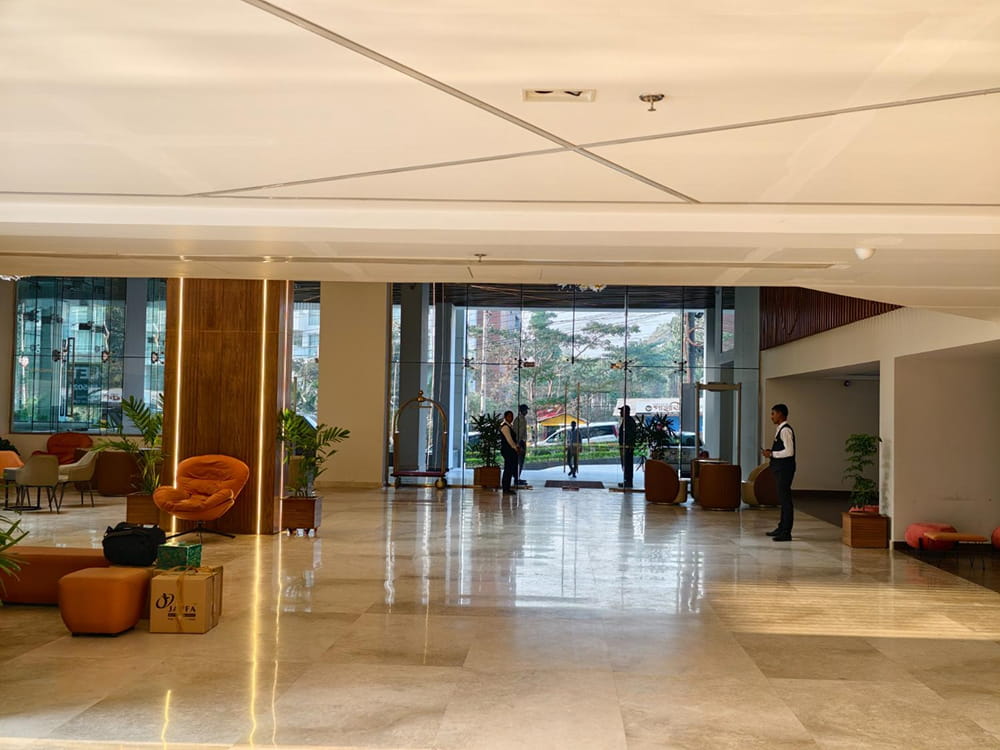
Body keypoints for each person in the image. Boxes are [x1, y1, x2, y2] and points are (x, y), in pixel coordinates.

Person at [762, 403, 796, 541]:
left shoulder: (785, 430)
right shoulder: (780, 429)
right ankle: (781, 527)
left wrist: (772, 454)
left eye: (773, 414)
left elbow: (789, 451)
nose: (771, 417)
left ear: (780, 414)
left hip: (784, 469)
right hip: (780, 468)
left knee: (785, 500)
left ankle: (786, 532)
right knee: (782, 499)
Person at [500, 410, 521, 495]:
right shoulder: (505, 427)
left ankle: (507, 487)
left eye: (512, 416)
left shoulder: (509, 426)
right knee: (508, 469)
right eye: (509, 416)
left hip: (510, 450)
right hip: (507, 450)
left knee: (510, 468)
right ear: (505, 417)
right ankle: (505, 488)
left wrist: (517, 447)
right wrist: (515, 448)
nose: (511, 418)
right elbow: (509, 440)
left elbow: (513, 439)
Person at [617, 405, 637, 488]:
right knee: (626, 464)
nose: (620, 413)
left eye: (621, 411)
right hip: (625, 446)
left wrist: (628, 445)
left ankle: (628, 481)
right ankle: (627, 480)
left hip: (627, 447)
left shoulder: (629, 421)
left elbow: (631, 435)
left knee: (627, 464)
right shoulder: (626, 421)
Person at [512, 403, 529, 486]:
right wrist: (518, 444)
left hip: (521, 441)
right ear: (523, 411)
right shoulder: (520, 420)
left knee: (520, 461)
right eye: (526, 410)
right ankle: (516, 479)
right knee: (519, 461)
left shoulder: (520, 419)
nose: (527, 412)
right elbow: (518, 432)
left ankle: (517, 478)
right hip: (520, 442)